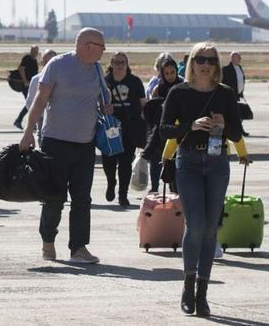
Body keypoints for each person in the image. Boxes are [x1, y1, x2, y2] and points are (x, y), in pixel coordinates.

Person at [159, 42, 243, 317]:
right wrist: (190, 126)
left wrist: (222, 125)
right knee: (194, 225)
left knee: (209, 229)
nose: (205, 64)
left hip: (218, 163)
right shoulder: (178, 92)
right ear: (192, 63)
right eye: (200, 59)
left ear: (216, 65)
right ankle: (188, 284)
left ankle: (203, 292)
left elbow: (237, 132)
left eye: (211, 60)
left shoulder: (226, 94)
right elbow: (163, 130)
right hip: (189, 162)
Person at [18, 28, 107, 264]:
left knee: (82, 199)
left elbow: (102, 100)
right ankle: (48, 241)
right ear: (87, 46)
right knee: (54, 197)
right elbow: (39, 100)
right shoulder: (57, 65)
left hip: (85, 145)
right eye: (101, 47)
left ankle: (78, 248)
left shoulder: (97, 69)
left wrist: (107, 108)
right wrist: (28, 132)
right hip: (55, 142)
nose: (103, 51)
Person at [101, 52, 147, 207]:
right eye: (116, 62)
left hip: (129, 127)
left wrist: (144, 120)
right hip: (110, 127)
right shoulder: (105, 82)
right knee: (108, 160)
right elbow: (96, 102)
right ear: (111, 64)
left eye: (123, 62)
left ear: (127, 64)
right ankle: (111, 182)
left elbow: (143, 103)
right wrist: (103, 108)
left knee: (126, 163)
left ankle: (122, 195)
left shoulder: (135, 82)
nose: (120, 65)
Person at [143, 55, 180, 193]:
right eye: (167, 73)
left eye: (172, 72)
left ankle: (174, 189)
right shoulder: (158, 88)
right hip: (160, 128)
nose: (170, 76)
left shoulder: (182, 86)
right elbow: (152, 109)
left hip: (176, 130)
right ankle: (154, 188)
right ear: (162, 74)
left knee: (173, 162)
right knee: (156, 160)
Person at [22, 49, 57, 138]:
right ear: (42, 63)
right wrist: (38, 116)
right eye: (46, 62)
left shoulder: (65, 79)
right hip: (43, 120)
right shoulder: (36, 80)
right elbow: (29, 102)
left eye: (52, 61)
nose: (49, 64)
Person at [12, 46, 41, 129]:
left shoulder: (34, 60)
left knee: (31, 103)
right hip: (26, 85)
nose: (35, 53)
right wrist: (25, 81)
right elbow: (21, 69)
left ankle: (23, 121)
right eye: (34, 51)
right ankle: (20, 121)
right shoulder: (27, 58)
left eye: (36, 51)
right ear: (31, 51)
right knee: (31, 103)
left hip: (31, 85)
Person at [222, 51, 248, 136]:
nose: (236, 59)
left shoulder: (239, 67)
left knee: (240, 112)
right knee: (234, 113)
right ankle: (237, 130)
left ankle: (239, 129)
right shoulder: (226, 69)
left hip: (239, 94)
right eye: (234, 57)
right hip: (231, 94)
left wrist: (241, 92)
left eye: (237, 57)